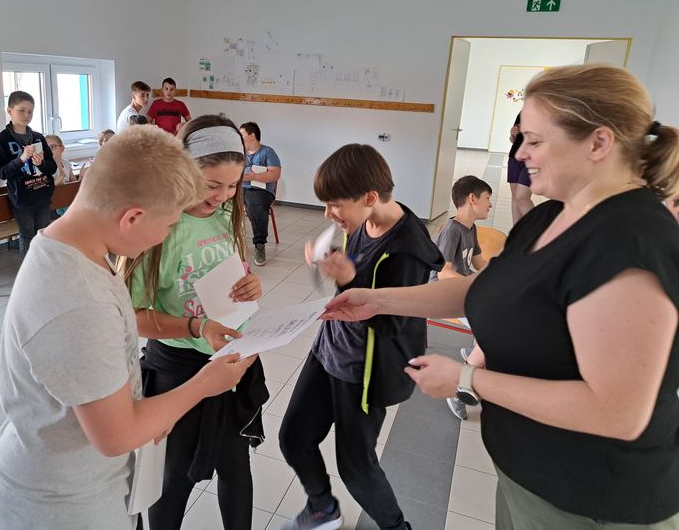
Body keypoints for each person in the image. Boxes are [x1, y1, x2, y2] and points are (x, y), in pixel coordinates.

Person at [323, 65, 679, 529]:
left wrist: (468, 379)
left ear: (598, 143)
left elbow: (617, 412)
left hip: (590, 500)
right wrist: (378, 300)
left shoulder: (628, 240)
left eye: (534, 140)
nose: (520, 153)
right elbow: (487, 289)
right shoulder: (553, 215)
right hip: (529, 473)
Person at [0, 125, 255, 530]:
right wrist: (205, 383)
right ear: (132, 218)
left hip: (85, 483)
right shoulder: (80, 301)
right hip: (65, 506)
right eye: (169, 226)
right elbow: (116, 435)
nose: (168, 235)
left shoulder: (74, 251)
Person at [278, 144, 443, 530]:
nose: (328, 214)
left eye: (335, 205)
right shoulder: (363, 223)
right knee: (293, 437)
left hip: (362, 371)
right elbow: (360, 275)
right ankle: (323, 508)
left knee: (355, 465)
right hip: (328, 351)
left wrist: (349, 278)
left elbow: (390, 324)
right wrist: (335, 261)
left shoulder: (407, 251)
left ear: (370, 197)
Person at [126, 115, 267, 530]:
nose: (223, 197)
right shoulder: (159, 228)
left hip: (231, 360)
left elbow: (232, 276)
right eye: (212, 185)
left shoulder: (227, 216)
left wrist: (251, 285)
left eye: (233, 186)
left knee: (236, 467)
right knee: (174, 479)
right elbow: (133, 317)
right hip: (178, 368)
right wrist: (196, 327)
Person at [429, 175, 492, 420]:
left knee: (501, 312)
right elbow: (443, 273)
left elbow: (479, 262)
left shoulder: (470, 228)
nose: (490, 204)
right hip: (444, 293)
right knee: (493, 329)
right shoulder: (452, 231)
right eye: (487, 198)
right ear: (472, 199)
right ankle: (458, 389)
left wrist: (501, 275)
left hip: (461, 289)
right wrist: (476, 286)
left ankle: (474, 353)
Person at [0, 91, 57, 258]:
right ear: (9, 111)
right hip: (21, 197)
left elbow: (52, 167)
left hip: (42, 194)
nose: (26, 115)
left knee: (43, 234)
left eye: (30, 111)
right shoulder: (1, 139)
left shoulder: (38, 137)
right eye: (21, 110)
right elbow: (2, 172)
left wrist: (40, 163)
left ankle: (43, 268)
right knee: (27, 235)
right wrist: (21, 159)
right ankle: (29, 271)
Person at [239, 121, 281, 266]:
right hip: (240, 189)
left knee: (254, 204)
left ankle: (259, 244)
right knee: (223, 201)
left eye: (242, 134)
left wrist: (254, 177)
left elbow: (275, 174)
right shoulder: (239, 153)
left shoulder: (268, 152)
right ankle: (227, 243)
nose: (239, 137)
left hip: (262, 191)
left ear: (252, 135)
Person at [507, 113, 535, 224]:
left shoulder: (548, 114)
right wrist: (512, 135)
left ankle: (537, 230)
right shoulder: (522, 113)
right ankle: (516, 230)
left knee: (522, 197)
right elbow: (514, 140)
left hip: (532, 160)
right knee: (515, 197)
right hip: (514, 157)